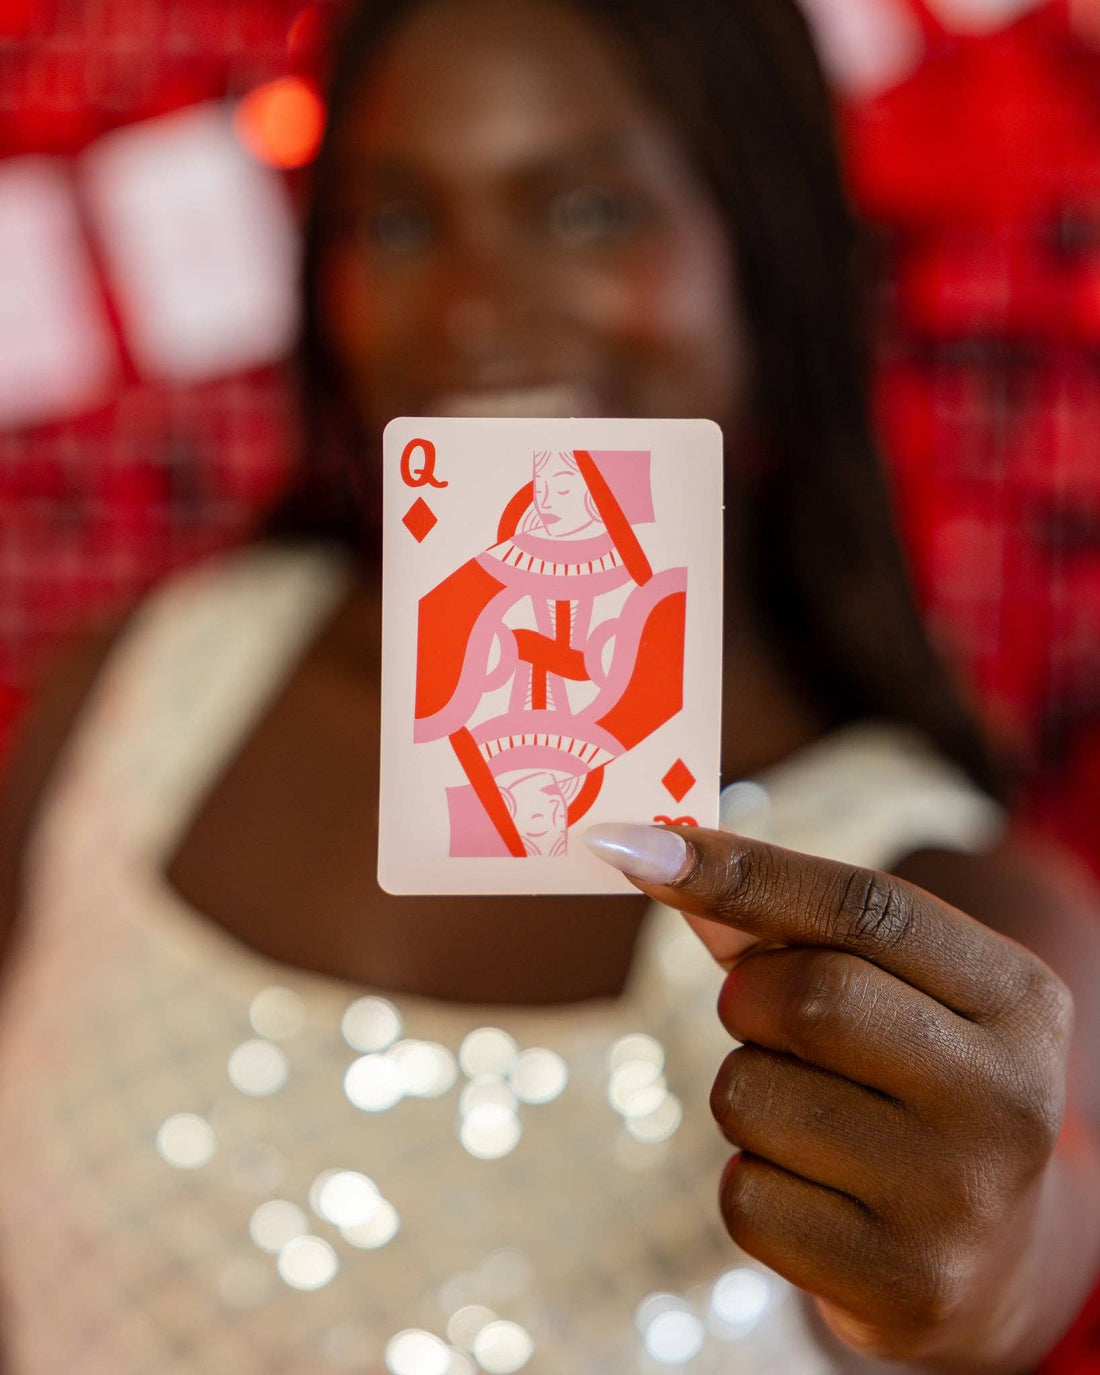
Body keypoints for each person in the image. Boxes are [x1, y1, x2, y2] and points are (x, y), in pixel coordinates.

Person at [0, 0, 1097, 1371]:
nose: (473, 308)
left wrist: (976, 1273)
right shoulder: (141, 686)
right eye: (396, 222)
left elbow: (1025, 1231)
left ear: (764, 254)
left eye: (586, 211)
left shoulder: (952, 901)